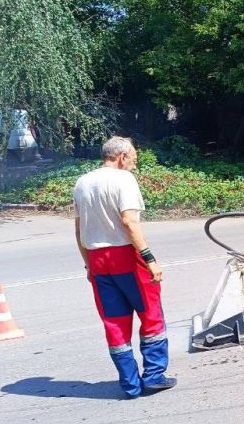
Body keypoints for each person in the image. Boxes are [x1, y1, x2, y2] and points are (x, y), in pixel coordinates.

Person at [73, 136, 176, 398]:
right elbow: (129, 221)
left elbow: (79, 230)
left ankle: (130, 384)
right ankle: (153, 376)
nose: (134, 165)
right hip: (127, 258)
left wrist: (88, 265)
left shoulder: (82, 182)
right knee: (150, 314)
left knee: (114, 321)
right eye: (133, 159)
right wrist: (149, 259)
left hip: (97, 261)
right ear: (121, 157)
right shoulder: (124, 179)